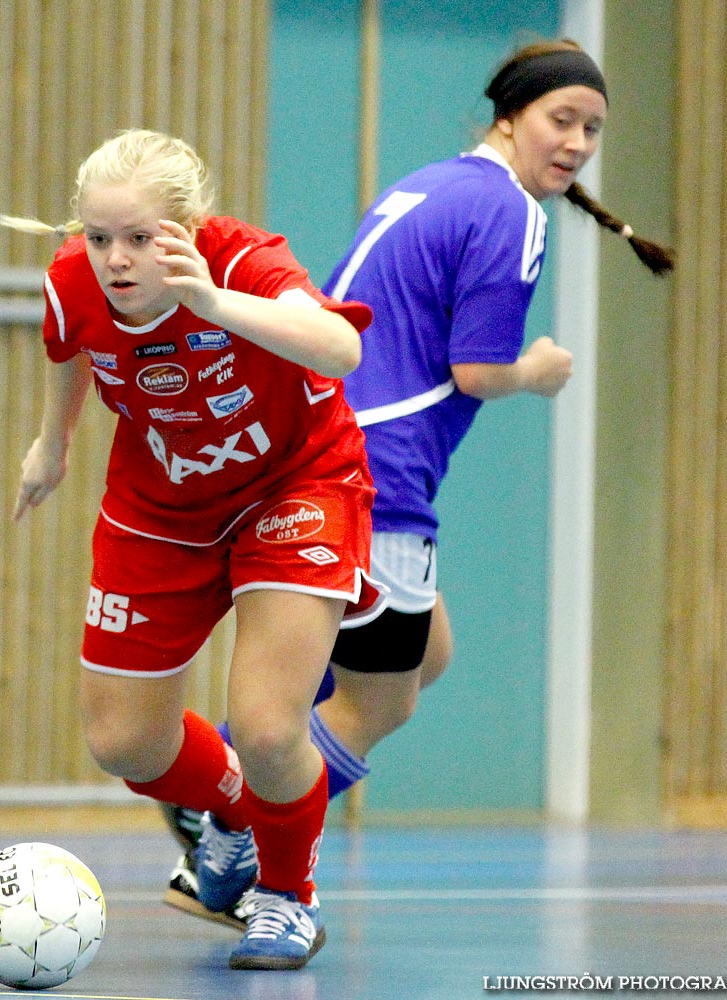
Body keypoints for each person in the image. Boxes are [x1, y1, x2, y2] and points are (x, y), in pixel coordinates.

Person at [161, 37, 674, 927]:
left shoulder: (435, 181)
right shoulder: (512, 214)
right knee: (383, 699)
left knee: (428, 654)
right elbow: (477, 369)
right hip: (376, 471)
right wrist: (538, 370)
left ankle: (231, 779)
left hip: (317, 442)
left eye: (593, 128)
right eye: (562, 120)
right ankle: (234, 824)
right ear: (510, 117)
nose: (579, 142)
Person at [0, 128, 386, 971]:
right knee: (123, 743)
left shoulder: (244, 262)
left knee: (266, 723)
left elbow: (342, 347)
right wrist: (51, 446)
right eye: (99, 238)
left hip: (296, 485)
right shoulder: (75, 281)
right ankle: (238, 813)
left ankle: (286, 899)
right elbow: (68, 349)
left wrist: (209, 301)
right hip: (160, 505)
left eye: (140, 238)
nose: (117, 259)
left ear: (188, 227)